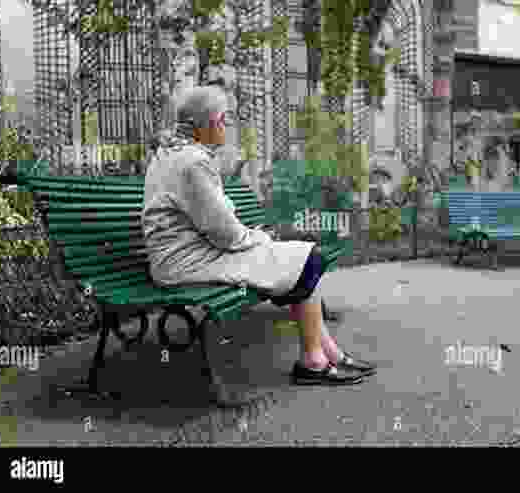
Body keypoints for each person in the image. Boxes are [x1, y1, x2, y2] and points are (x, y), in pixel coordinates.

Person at [143, 86, 375, 386]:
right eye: (225, 120)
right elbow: (224, 232)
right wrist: (260, 239)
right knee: (307, 260)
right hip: (187, 262)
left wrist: (255, 238)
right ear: (209, 123)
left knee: (303, 259)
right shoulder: (191, 162)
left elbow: (212, 220)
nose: (227, 127)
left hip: (188, 255)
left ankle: (327, 353)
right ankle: (314, 361)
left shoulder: (174, 153)